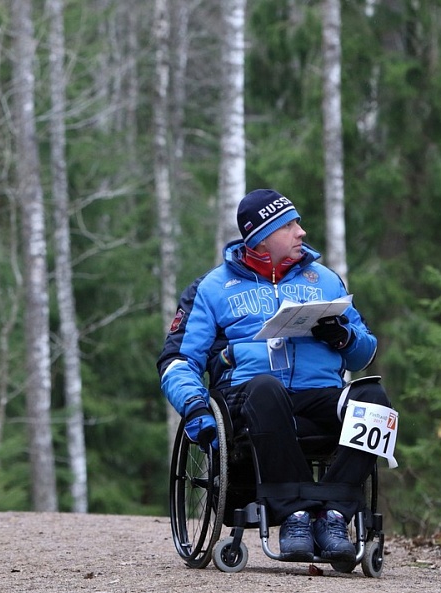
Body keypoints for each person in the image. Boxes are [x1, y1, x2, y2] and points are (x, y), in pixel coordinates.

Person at [157, 188, 392, 562]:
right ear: (261, 237)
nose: (301, 232)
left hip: (319, 395)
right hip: (249, 397)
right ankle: (295, 515)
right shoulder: (211, 288)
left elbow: (365, 352)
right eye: (290, 225)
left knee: (374, 400)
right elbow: (177, 362)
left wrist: (344, 336)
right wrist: (194, 406)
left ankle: (333, 513)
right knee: (267, 390)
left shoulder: (325, 280)